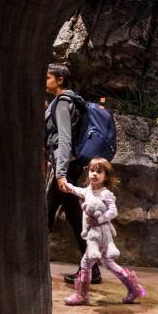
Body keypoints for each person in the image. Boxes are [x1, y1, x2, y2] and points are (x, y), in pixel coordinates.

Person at [60, 157, 147, 306]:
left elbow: (113, 212)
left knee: (86, 262)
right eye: (92, 171)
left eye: (99, 172)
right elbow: (79, 191)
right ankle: (134, 288)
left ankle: (81, 295)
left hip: (100, 234)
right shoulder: (89, 190)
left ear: (106, 176)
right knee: (108, 263)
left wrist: (98, 220)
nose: (94, 174)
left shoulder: (105, 193)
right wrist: (68, 187)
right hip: (94, 234)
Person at [45, 63, 102, 284]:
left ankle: (30, 265)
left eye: (48, 77)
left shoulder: (62, 103)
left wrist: (60, 174)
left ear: (60, 80)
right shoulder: (70, 101)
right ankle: (91, 269)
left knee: (45, 216)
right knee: (74, 218)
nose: (45, 81)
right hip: (68, 167)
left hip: (65, 168)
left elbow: (65, 140)